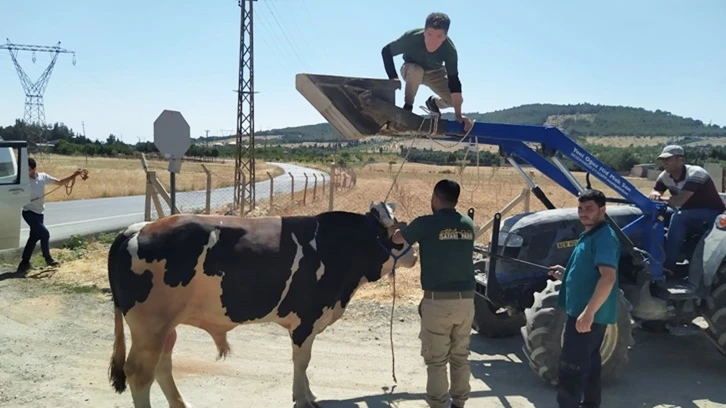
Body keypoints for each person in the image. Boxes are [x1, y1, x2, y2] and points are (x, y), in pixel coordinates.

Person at [391, 179, 475, 408]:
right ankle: (459, 403)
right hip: (466, 302)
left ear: (436, 197)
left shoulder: (425, 224)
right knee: (460, 357)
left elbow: (398, 239)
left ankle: (438, 404)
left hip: (438, 302)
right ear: (455, 200)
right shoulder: (468, 224)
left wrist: (397, 230)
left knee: (437, 361)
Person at [548, 189, 620, 408]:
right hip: (583, 314)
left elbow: (608, 278)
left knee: (571, 368)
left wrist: (588, 313)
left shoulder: (604, 237)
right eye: (580, 209)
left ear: (603, 210)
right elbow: (589, 270)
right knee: (589, 365)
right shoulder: (590, 235)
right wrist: (565, 272)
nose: (583, 213)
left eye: (589, 209)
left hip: (586, 315)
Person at [381, 12, 473, 132]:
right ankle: (407, 109)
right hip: (410, 70)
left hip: (435, 72)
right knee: (416, 70)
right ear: (424, 31)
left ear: (445, 37)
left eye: (439, 37)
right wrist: (393, 77)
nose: (432, 42)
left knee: (456, 101)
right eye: (429, 34)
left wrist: (459, 116)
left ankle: (433, 102)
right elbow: (386, 51)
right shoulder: (412, 37)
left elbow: (454, 82)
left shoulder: (450, 50)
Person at [647, 145, 726, 272]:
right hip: (686, 211)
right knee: (656, 215)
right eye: (662, 159)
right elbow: (656, 191)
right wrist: (655, 194)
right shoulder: (665, 176)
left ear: (681, 160)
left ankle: (668, 265)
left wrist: (659, 198)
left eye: (668, 159)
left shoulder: (696, 174)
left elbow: (679, 200)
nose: (664, 162)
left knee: (679, 218)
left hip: (712, 213)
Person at [16, 157, 84, 274]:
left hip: (39, 213)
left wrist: (74, 175)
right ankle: (48, 258)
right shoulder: (23, 181)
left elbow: (60, 182)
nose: (25, 172)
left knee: (34, 237)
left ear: (34, 168)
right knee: (45, 234)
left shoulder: (43, 177)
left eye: (27, 169)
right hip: (29, 213)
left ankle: (24, 263)